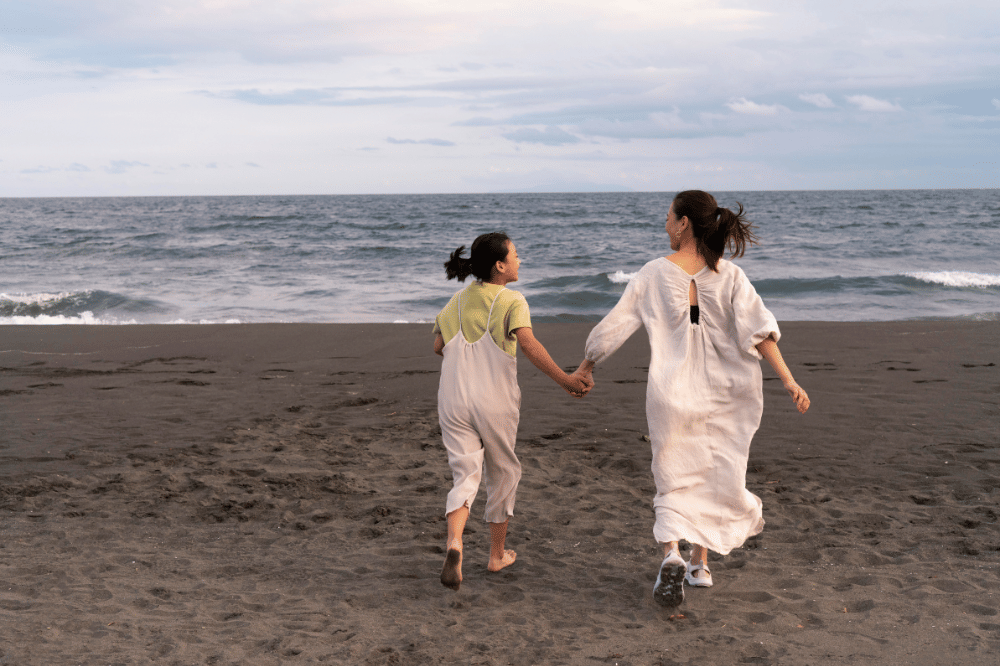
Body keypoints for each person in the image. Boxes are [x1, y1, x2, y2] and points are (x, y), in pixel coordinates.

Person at [574, 190, 809, 609]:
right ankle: (700, 566)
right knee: (717, 472)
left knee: (672, 476)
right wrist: (789, 380)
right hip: (729, 392)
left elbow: (614, 327)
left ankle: (672, 555)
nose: (664, 224)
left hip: (672, 392)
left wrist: (587, 364)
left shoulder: (651, 274)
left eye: (668, 217)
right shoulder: (731, 276)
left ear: (684, 223)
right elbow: (762, 332)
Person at [434, 232, 593, 591]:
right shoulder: (511, 300)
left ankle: (455, 542)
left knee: (465, 474)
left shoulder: (456, 301)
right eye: (516, 255)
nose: (520, 261)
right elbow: (530, 345)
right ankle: (496, 555)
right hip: (494, 400)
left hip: (453, 399)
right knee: (503, 471)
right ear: (500, 265)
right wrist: (567, 380)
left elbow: (438, 345)